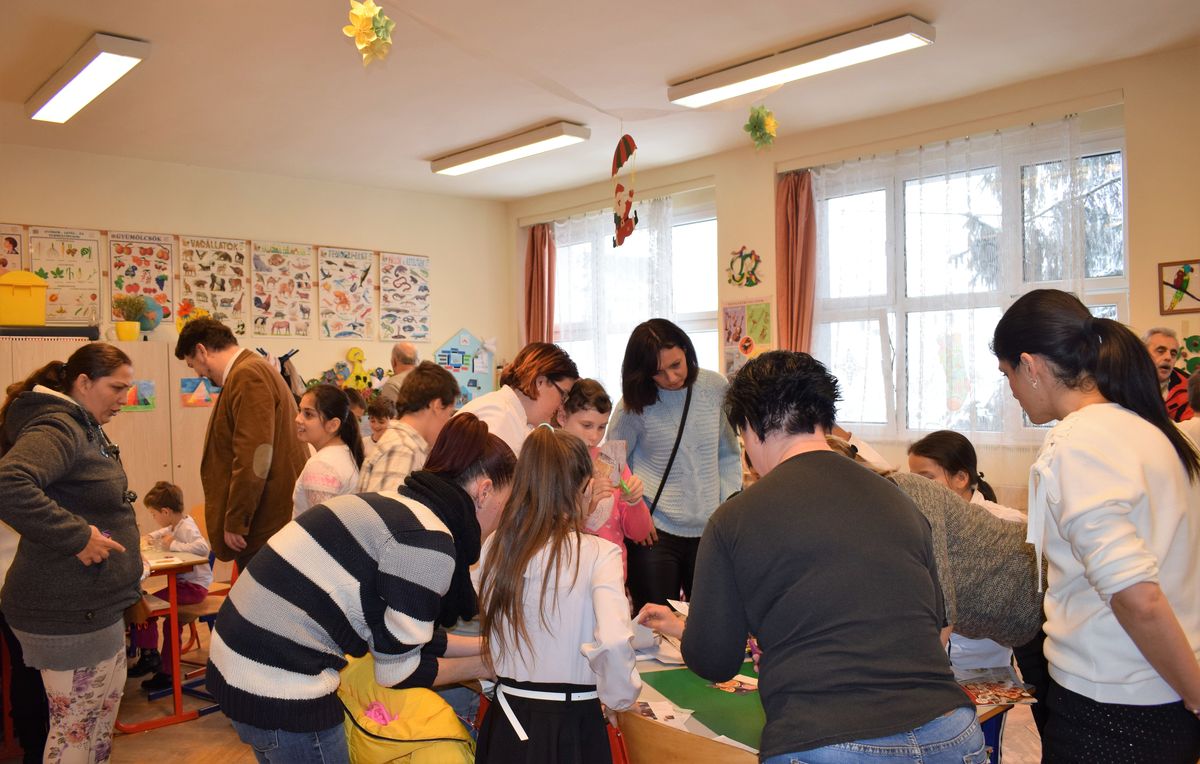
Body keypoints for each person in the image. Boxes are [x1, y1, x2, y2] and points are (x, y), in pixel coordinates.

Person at [647, 350, 983, 764]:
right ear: (824, 418)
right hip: (951, 730)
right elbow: (932, 622)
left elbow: (714, 660)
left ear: (750, 427)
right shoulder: (899, 500)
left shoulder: (734, 518)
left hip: (828, 739)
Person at [207, 412, 514, 764]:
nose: (502, 519)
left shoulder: (401, 508)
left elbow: (400, 638)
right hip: (277, 680)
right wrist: (486, 665)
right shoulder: (428, 542)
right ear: (484, 491)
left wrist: (487, 646)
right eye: (506, 504)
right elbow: (398, 671)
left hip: (241, 659)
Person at [993, 289, 1200, 761]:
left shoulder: (1077, 443)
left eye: (1007, 375)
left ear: (1030, 365)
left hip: (1114, 707)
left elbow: (1136, 596)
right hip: (1161, 686)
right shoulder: (1148, 429)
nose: (1012, 391)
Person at [0, 342, 142, 763]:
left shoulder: (83, 425)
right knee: (74, 735)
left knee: (96, 730)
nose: (124, 399)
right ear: (83, 382)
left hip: (97, 608)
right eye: (116, 388)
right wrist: (77, 537)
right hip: (67, 614)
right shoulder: (58, 426)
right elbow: (9, 484)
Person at [476, 426, 641, 762]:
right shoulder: (599, 553)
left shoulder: (496, 545)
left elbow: (490, 628)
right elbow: (613, 640)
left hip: (507, 717)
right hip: (572, 722)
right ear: (586, 487)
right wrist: (620, 698)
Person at [908, 430, 1027, 762]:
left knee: (983, 750)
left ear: (961, 478)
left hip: (985, 667)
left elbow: (1017, 604)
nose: (917, 488)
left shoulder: (1006, 525)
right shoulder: (917, 523)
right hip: (931, 672)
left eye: (926, 478)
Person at [608, 319, 741, 610]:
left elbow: (729, 452)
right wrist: (636, 512)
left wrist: (727, 501)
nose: (671, 377)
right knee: (655, 624)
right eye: (658, 372)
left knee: (710, 620)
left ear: (686, 350)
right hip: (654, 533)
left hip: (710, 530)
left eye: (676, 365)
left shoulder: (715, 387)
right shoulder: (634, 404)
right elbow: (612, 464)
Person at [175, 318, 308, 567]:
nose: (199, 375)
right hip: (268, 522)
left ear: (202, 351)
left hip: (264, 525)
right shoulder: (252, 369)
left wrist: (237, 520)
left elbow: (255, 455)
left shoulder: (247, 374)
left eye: (194, 365)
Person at [556, 379, 652, 577]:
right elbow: (547, 530)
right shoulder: (549, 463)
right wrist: (585, 504)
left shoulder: (611, 460)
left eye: (601, 427)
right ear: (562, 416)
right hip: (565, 575)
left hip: (611, 574)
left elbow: (640, 533)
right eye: (586, 425)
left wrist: (635, 502)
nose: (594, 436)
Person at [129, 481, 212, 692]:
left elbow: (203, 548)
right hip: (186, 585)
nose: (154, 518)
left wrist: (173, 545)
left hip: (193, 588)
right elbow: (167, 529)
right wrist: (153, 536)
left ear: (165, 511)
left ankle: (151, 657)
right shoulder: (178, 523)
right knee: (166, 619)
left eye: (154, 514)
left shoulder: (187, 527)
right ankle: (164, 668)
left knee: (145, 606)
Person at [458, 342, 578, 455]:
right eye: (563, 395)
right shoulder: (500, 419)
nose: (561, 406)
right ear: (540, 382)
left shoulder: (516, 418)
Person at [358, 361, 458, 493]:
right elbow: (387, 506)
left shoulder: (402, 443)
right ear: (437, 405)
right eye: (449, 414)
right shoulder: (404, 449)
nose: (447, 422)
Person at [293, 384, 364, 518]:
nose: (297, 419)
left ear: (333, 425)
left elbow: (321, 525)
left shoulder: (321, 465)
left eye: (308, 414)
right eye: (299, 410)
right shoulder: (343, 452)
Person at [1143, 327, 1193, 421]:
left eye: (1173, 353)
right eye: (1160, 351)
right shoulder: (1123, 384)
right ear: (1143, 354)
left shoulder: (1190, 389)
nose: (1168, 357)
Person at [362, 396, 397, 460]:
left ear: (392, 420)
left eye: (381, 422)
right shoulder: (363, 443)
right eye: (372, 421)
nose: (376, 426)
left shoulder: (395, 445)